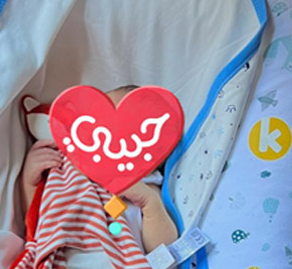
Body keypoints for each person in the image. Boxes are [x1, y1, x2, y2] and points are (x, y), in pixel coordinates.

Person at [18, 85, 178, 252]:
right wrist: (29, 181)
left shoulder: (146, 184)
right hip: (61, 256)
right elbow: (38, 217)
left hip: (113, 262)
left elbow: (163, 250)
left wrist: (150, 203)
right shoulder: (66, 166)